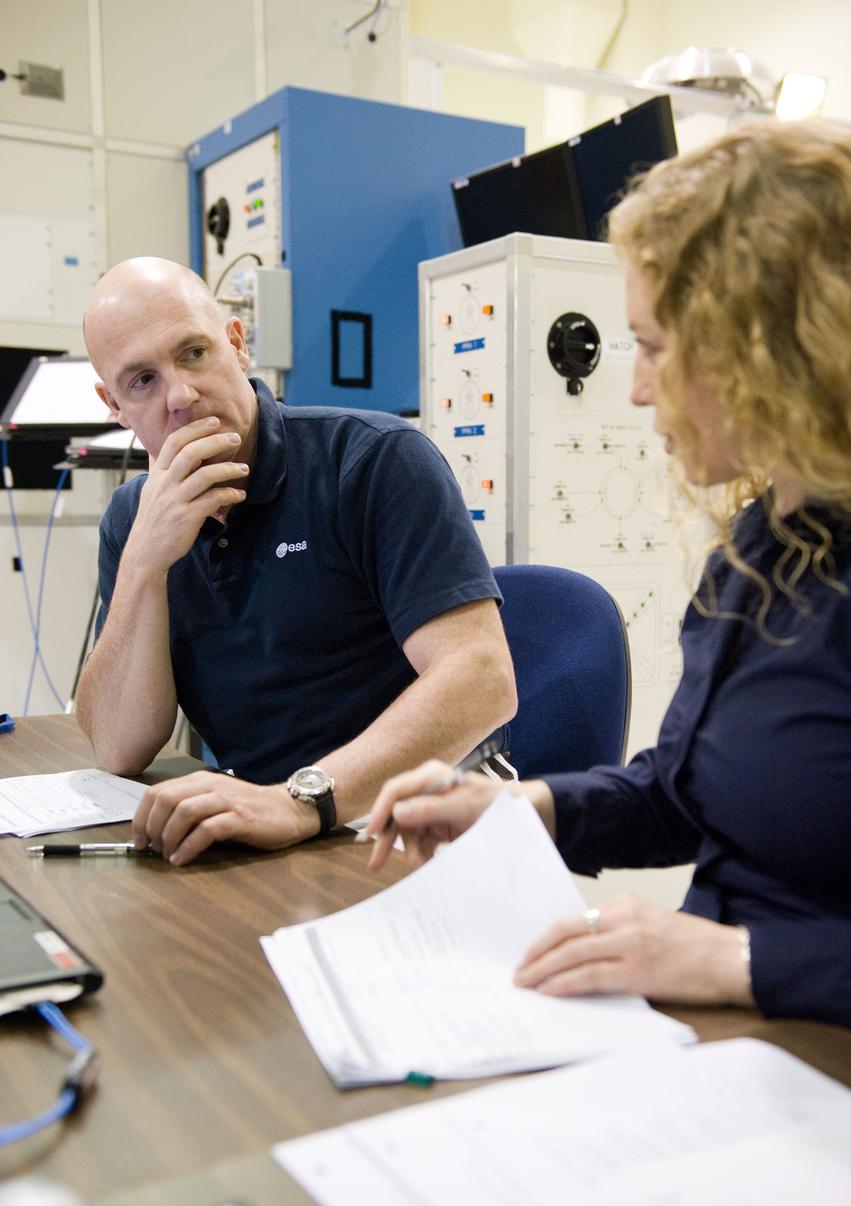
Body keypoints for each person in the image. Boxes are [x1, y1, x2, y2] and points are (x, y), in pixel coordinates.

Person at [365, 119, 851, 1030]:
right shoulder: (762, 543)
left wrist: (740, 960)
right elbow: (682, 791)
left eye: (658, 348)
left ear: (780, 347)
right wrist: (514, 808)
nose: (635, 388)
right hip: (725, 1039)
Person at [77, 258, 516, 865]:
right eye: (142, 381)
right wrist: (143, 565)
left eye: (194, 353)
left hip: (419, 810)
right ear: (114, 405)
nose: (179, 394)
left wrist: (300, 801)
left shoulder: (374, 460)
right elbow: (119, 746)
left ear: (237, 344)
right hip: (262, 826)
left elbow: (482, 681)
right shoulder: (133, 520)